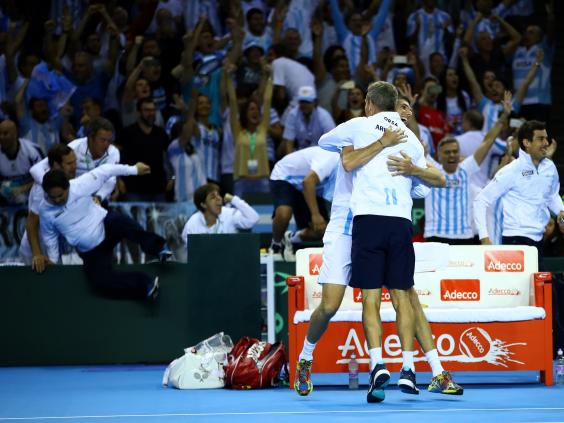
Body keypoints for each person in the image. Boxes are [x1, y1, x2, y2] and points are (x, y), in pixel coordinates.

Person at [295, 93, 462, 401]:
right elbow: (348, 162)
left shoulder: (405, 140)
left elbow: (430, 182)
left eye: (410, 108)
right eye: (401, 107)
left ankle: (434, 371)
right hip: (345, 229)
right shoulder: (355, 135)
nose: (406, 113)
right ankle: (306, 358)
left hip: (378, 223)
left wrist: (412, 166)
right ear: (380, 110)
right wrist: (384, 141)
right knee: (330, 305)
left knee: (407, 297)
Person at [39, 163, 172, 300]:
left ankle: (159, 248)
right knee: (100, 282)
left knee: (122, 223)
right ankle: (145, 285)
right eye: (52, 197)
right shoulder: (45, 211)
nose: (57, 200)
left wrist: (133, 170)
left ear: (68, 187)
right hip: (91, 250)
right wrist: (53, 262)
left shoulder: (80, 185)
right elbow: (50, 238)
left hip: (105, 225)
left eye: (60, 195)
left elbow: (106, 170)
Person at [424, 92, 512, 244]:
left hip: (464, 236)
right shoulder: (432, 169)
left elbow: (488, 141)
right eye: (447, 152)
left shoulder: (466, 169)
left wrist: (504, 116)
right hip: (436, 234)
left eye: (455, 152)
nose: (452, 155)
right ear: (438, 155)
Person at [474, 120, 563, 271]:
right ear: (527, 143)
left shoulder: (549, 167)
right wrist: (484, 238)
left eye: (546, 138)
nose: (546, 143)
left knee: (540, 292)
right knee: (531, 292)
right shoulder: (512, 170)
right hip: (516, 240)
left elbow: (552, 195)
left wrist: (561, 212)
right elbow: (480, 200)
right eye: (540, 139)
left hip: (539, 240)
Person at [269, 146, 339, 261]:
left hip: (312, 187)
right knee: (284, 213)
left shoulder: (350, 170)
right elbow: (308, 182)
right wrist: (315, 215)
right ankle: (276, 244)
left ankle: (290, 238)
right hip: (285, 176)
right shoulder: (331, 158)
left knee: (323, 231)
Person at [20, 144, 77, 271]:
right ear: (57, 165)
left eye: (74, 162)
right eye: (69, 164)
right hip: (36, 247)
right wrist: (37, 255)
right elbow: (31, 224)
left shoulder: (69, 181)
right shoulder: (43, 189)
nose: (74, 167)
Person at [118, 98, 170, 201]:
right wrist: (118, 179)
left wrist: (172, 178)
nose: (151, 113)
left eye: (153, 110)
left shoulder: (161, 133)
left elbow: (171, 161)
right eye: (147, 110)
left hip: (158, 188)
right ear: (138, 113)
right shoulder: (127, 133)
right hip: (133, 188)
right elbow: (116, 158)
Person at [181, 183, 259, 239]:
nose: (219, 198)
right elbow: (187, 251)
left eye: (219, 195)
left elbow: (254, 218)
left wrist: (234, 200)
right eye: (213, 197)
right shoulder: (192, 223)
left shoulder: (228, 214)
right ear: (203, 204)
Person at [280, 86, 335, 156]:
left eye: (307, 102)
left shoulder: (324, 116)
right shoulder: (293, 114)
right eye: (302, 101)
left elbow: (332, 141)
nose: (304, 105)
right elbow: (288, 142)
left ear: (315, 102)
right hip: (300, 152)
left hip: (321, 153)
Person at [0, 118, 43, 205]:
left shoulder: (32, 151)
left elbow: (44, 178)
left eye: (5, 133)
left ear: (15, 134)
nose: (1, 137)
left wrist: (22, 188)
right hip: (5, 203)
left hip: (33, 200)